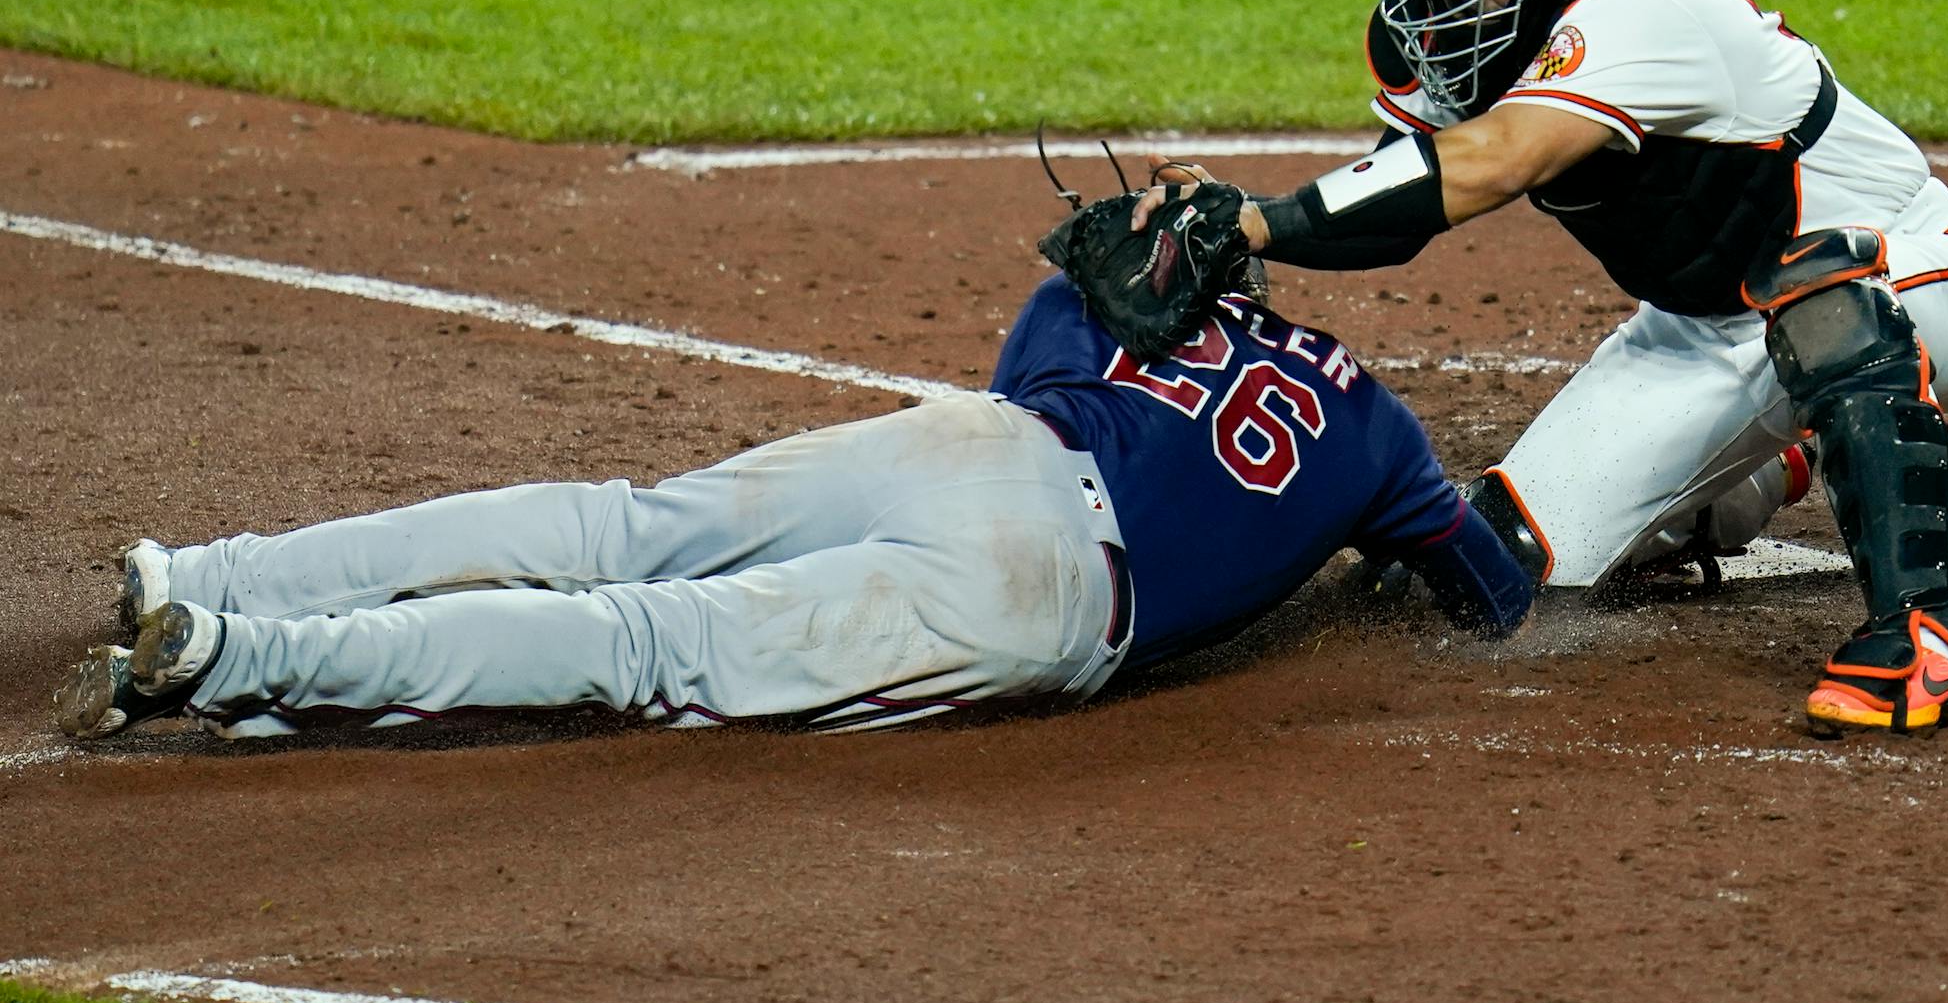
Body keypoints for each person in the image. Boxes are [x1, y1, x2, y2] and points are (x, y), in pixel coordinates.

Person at [1133, 0, 1948, 735]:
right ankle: (1760, 468)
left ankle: (1935, 634)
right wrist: (1230, 214)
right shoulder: (1482, 34)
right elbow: (1404, 197)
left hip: (1909, 274)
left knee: (1818, 295)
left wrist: (1262, 220)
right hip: (1703, 330)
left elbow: (1492, 161)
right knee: (1487, 568)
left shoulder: (1650, 13)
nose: (1429, 0)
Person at [52, 263, 1530, 742]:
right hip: (1038, 593)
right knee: (646, 643)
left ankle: (211, 567)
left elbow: (1037, 351)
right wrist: (1392, 557)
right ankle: (231, 661)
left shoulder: (1133, 306)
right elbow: (1488, 591)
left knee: (614, 525)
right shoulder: (1381, 432)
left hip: (975, 450)